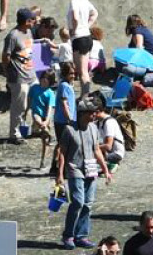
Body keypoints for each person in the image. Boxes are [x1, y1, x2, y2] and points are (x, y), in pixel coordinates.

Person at [55, 99, 113, 250]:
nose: (95, 114)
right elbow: (61, 152)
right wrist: (60, 174)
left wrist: (105, 170)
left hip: (91, 169)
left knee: (88, 204)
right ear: (82, 113)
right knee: (78, 202)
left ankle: (81, 236)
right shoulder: (69, 130)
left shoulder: (94, 128)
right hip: (74, 169)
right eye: (92, 112)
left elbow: (97, 150)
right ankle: (68, 235)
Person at [1, 8, 37, 144]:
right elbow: (6, 56)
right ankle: (14, 134)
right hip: (19, 78)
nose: (35, 21)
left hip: (31, 75)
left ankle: (27, 129)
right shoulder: (13, 36)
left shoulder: (28, 32)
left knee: (31, 104)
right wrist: (7, 72)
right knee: (19, 107)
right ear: (26, 21)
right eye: (32, 19)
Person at [65, 0, 98, 94]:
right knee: (81, 70)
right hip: (87, 37)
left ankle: (85, 96)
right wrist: (87, 26)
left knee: (83, 71)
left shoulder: (74, 1)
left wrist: (74, 29)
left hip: (79, 38)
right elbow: (94, 13)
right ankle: (85, 94)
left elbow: (75, 17)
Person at [28, 70, 56, 168]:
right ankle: (45, 129)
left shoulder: (50, 93)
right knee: (36, 118)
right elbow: (29, 99)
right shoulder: (34, 88)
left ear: (50, 81)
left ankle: (43, 161)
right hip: (36, 113)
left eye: (47, 79)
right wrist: (26, 110)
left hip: (46, 117)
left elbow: (50, 109)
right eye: (43, 77)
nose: (44, 80)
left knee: (45, 141)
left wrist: (47, 121)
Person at [94, 104, 125, 169]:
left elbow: (108, 146)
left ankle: (111, 165)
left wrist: (92, 148)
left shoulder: (109, 123)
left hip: (116, 153)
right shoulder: (98, 122)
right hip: (106, 153)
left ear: (98, 111)